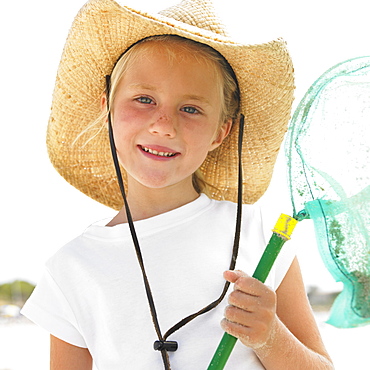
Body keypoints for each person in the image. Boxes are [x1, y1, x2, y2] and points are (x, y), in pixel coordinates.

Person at [21, 0, 334, 369]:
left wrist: (270, 337)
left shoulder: (261, 236)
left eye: (191, 109)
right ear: (107, 109)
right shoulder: (71, 269)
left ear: (222, 132)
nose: (164, 125)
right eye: (144, 99)